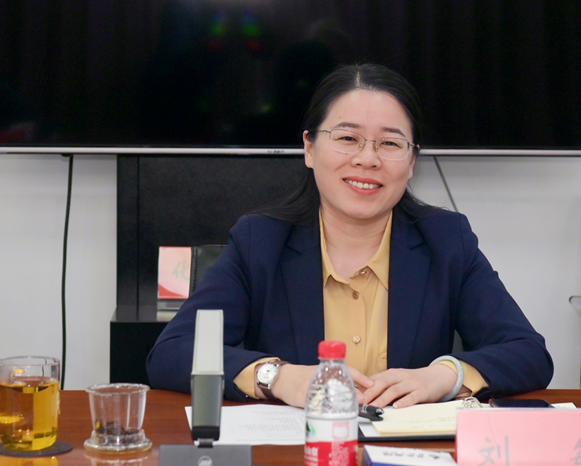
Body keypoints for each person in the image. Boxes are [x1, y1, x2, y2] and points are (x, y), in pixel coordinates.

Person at [146, 63, 553, 409]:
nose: (367, 159)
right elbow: (172, 352)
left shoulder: (446, 240)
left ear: (412, 161)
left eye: (390, 143)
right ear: (309, 148)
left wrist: (444, 376)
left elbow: (528, 352)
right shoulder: (261, 242)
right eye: (347, 138)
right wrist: (278, 377)